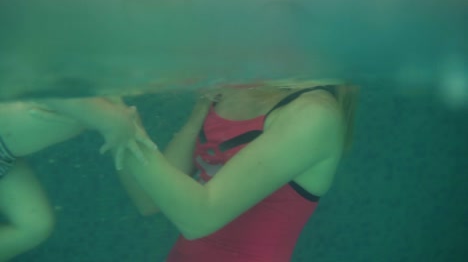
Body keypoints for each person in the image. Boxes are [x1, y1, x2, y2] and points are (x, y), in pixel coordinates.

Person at [107, 82, 359, 262]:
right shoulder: (234, 90)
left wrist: (123, 128)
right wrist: (116, 118)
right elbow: (148, 198)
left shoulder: (314, 114)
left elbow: (199, 218)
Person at [0, 97, 153, 261]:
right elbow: (47, 87)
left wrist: (113, 119)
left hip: (7, 152)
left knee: (36, 226)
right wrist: (112, 121)